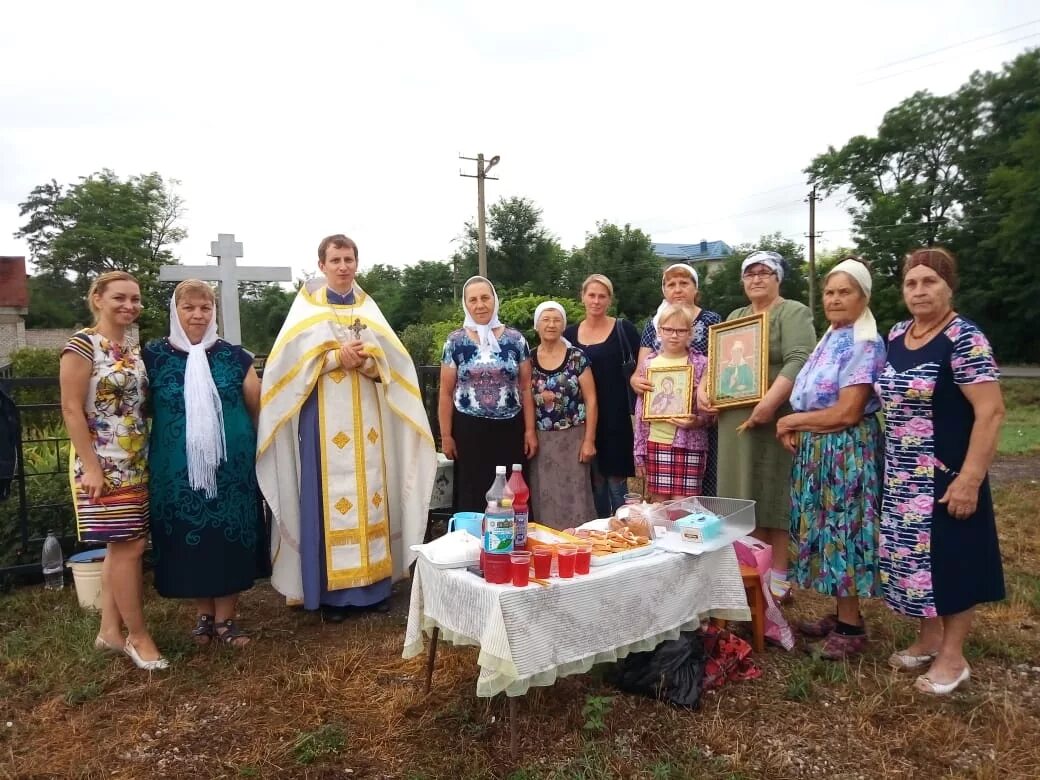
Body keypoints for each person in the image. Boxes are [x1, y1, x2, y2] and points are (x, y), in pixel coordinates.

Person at [256, 234, 436, 622]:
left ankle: (373, 587)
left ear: (356, 263)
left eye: (349, 259)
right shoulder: (305, 312)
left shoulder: (368, 310)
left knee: (371, 494)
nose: (343, 266)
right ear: (321, 265)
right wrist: (334, 358)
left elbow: (395, 365)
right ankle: (330, 595)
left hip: (368, 422)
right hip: (322, 420)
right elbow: (283, 369)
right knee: (325, 499)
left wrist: (371, 363)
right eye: (335, 259)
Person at [876, 247, 1005, 694]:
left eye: (929, 281)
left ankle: (954, 657)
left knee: (953, 562)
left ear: (949, 286)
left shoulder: (964, 338)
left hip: (945, 473)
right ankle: (930, 637)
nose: (919, 290)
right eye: (911, 282)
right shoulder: (896, 334)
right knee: (914, 561)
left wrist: (970, 478)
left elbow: (990, 412)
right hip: (901, 473)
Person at [776, 259, 886, 659]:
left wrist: (791, 420)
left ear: (864, 297)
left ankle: (852, 626)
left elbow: (847, 411)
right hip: (822, 447)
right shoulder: (833, 336)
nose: (836, 299)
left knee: (845, 529)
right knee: (826, 528)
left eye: (846, 291)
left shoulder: (864, 342)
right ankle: (842, 613)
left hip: (845, 449)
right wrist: (800, 427)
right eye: (830, 292)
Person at [144, 280, 264, 646]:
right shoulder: (153, 357)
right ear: (175, 311)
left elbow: (256, 407)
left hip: (230, 467)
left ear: (214, 312)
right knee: (189, 538)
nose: (198, 315)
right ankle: (203, 615)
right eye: (189, 308)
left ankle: (227, 620)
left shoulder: (235, 357)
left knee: (227, 538)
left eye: (205, 308)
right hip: (175, 469)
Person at [59, 271, 168, 670]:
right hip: (103, 466)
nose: (130, 306)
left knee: (121, 548)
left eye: (135, 299)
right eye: (120, 298)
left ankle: (109, 631)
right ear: (97, 299)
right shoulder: (82, 346)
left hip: (135, 461)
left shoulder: (131, 350)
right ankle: (137, 638)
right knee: (130, 549)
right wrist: (91, 467)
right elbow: (71, 408)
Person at [698, 251, 815, 604]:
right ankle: (748, 570)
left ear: (778, 277)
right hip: (735, 419)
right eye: (750, 274)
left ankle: (778, 576)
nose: (757, 279)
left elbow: (800, 358)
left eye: (765, 273)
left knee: (772, 492)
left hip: (776, 416)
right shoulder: (736, 316)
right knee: (740, 493)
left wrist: (769, 403)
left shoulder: (793, 312)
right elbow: (716, 359)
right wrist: (704, 390)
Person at [438, 276, 537, 512]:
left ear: (495, 300)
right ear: (465, 304)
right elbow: (445, 392)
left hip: (510, 430)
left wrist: (530, 431)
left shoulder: (516, 340)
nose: (479, 305)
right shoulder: (455, 342)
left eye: (485, 298)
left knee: (509, 495)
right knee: (473, 490)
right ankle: (474, 544)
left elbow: (525, 388)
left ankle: (510, 543)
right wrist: (446, 435)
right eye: (473, 300)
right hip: (469, 430)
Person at [632, 263, 722, 494]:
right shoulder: (653, 325)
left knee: (693, 496)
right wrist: (637, 382)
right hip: (658, 433)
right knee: (659, 502)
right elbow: (642, 370)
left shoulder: (711, 319)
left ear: (695, 288)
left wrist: (701, 396)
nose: (678, 289)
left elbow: (719, 362)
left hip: (696, 422)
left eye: (684, 283)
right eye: (671, 284)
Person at [564, 274, 641, 517]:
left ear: (609, 300)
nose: (596, 301)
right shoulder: (569, 334)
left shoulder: (623, 329)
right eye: (592, 295)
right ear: (582, 297)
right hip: (582, 420)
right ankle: (599, 538)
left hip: (615, 418)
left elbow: (644, 365)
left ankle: (625, 534)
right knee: (593, 484)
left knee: (617, 486)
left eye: (602, 296)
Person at [528, 301, 597, 529]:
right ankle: (549, 549)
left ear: (563, 325)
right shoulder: (527, 359)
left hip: (573, 437)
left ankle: (578, 548)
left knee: (576, 495)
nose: (551, 324)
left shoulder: (577, 357)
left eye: (557, 320)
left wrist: (589, 441)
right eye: (546, 319)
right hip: (541, 439)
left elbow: (591, 400)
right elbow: (524, 397)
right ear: (536, 325)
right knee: (544, 495)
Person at [634, 304, 712, 502]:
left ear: (690, 333)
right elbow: (641, 410)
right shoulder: (649, 364)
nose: (674, 335)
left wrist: (697, 421)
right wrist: (639, 450)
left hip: (689, 445)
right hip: (656, 442)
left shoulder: (702, 363)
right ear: (660, 331)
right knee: (660, 507)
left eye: (681, 330)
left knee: (683, 507)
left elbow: (709, 409)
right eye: (668, 329)